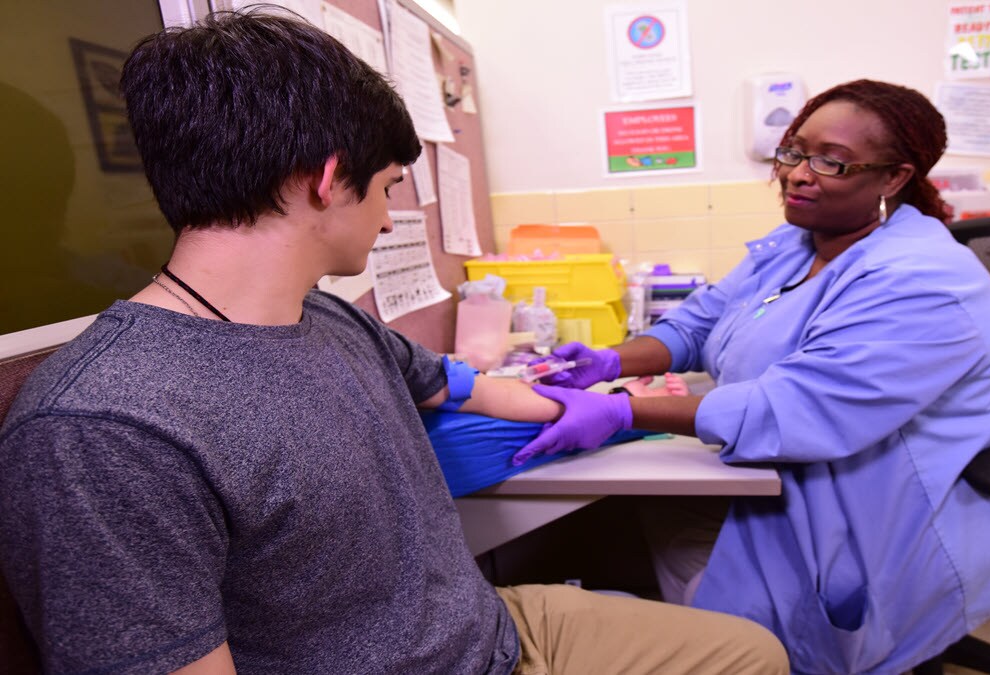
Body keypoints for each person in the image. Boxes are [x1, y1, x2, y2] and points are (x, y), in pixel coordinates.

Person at [0, 9, 790, 674]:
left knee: (754, 654)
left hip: (490, 634)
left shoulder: (329, 318)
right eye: (385, 191)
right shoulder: (101, 429)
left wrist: (597, 400)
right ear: (324, 178)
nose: (387, 220)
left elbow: (466, 384)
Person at [516, 80, 990, 674]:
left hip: (896, 511)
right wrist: (611, 361)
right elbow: (701, 322)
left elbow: (795, 411)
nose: (798, 174)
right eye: (793, 152)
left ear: (893, 178)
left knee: (723, 632)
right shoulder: (799, 245)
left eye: (831, 162)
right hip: (794, 473)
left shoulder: (924, 280)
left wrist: (621, 411)